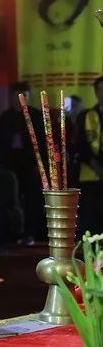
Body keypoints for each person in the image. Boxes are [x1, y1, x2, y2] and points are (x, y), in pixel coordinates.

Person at [0, 82, 45, 244]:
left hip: (29, 165)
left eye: (24, 96)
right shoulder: (5, 117)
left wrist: (40, 165)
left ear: (29, 98)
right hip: (9, 165)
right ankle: (10, 234)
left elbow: (43, 142)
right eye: (16, 96)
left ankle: (30, 233)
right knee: (9, 200)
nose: (19, 100)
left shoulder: (36, 116)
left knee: (31, 200)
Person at [74, 76, 103, 236]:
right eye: (100, 90)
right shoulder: (86, 116)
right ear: (96, 92)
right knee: (90, 216)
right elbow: (80, 144)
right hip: (90, 173)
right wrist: (95, 164)